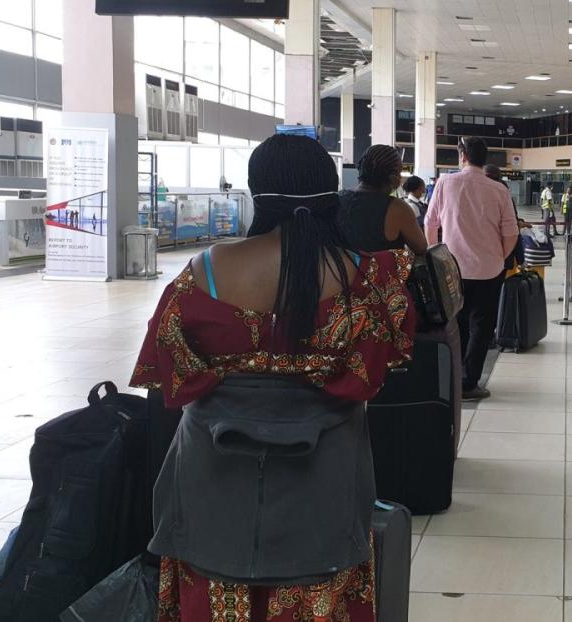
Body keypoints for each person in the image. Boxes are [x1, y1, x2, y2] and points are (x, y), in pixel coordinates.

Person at [130, 134, 416, 621]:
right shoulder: (368, 279)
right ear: (330, 194)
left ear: (256, 192)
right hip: (325, 476)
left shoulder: (205, 270)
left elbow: (168, 367)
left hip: (212, 477)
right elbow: (387, 359)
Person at [424, 136, 518, 401]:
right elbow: (511, 233)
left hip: (452, 269)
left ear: (462, 156)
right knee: (482, 327)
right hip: (489, 270)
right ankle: (469, 382)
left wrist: (436, 255)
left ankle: (453, 380)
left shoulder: (445, 183)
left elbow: (430, 223)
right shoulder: (499, 189)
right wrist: (498, 257)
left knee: (456, 325)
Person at [335, 145, 427, 254]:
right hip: (381, 266)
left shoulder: (337, 199)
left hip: (341, 265)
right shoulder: (398, 208)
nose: (400, 178)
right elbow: (421, 248)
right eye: (399, 173)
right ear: (392, 178)